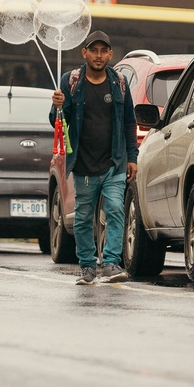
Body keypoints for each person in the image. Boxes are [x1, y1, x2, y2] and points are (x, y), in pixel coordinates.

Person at [50, 30, 138, 285]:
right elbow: (57, 123)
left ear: (110, 54)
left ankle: (110, 263)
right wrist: (58, 106)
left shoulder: (119, 82)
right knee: (83, 218)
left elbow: (129, 122)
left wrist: (132, 157)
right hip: (83, 164)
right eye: (93, 50)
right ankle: (87, 267)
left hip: (114, 162)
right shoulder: (71, 81)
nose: (98, 56)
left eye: (103, 51)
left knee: (115, 209)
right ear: (84, 53)